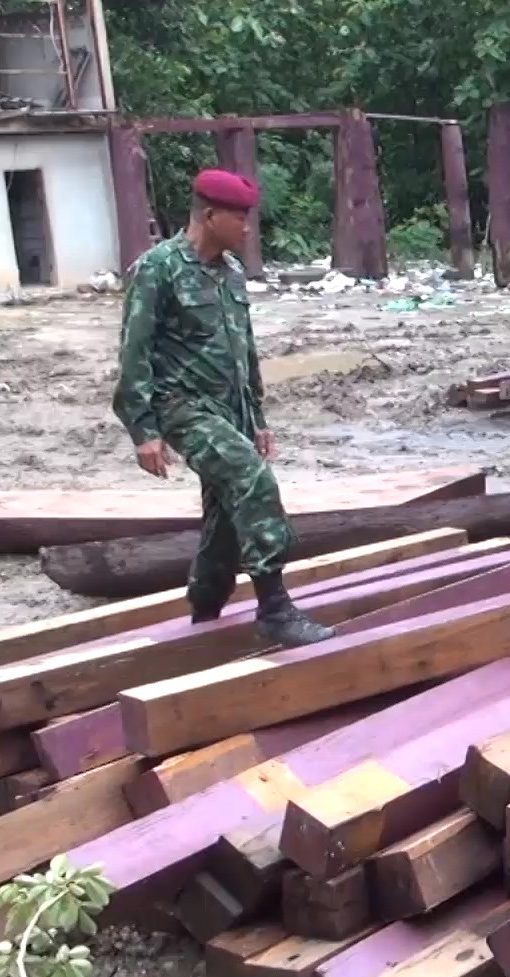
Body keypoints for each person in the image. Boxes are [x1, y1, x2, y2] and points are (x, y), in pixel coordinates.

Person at [112, 169, 334, 648]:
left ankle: (204, 614)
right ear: (209, 216)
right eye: (240, 217)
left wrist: (256, 419)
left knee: (225, 516)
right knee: (253, 481)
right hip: (182, 408)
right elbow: (134, 351)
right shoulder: (159, 268)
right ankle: (275, 608)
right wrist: (143, 429)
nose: (248, 228)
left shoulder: (231, 274)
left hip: (229, 410)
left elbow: (244, 352)